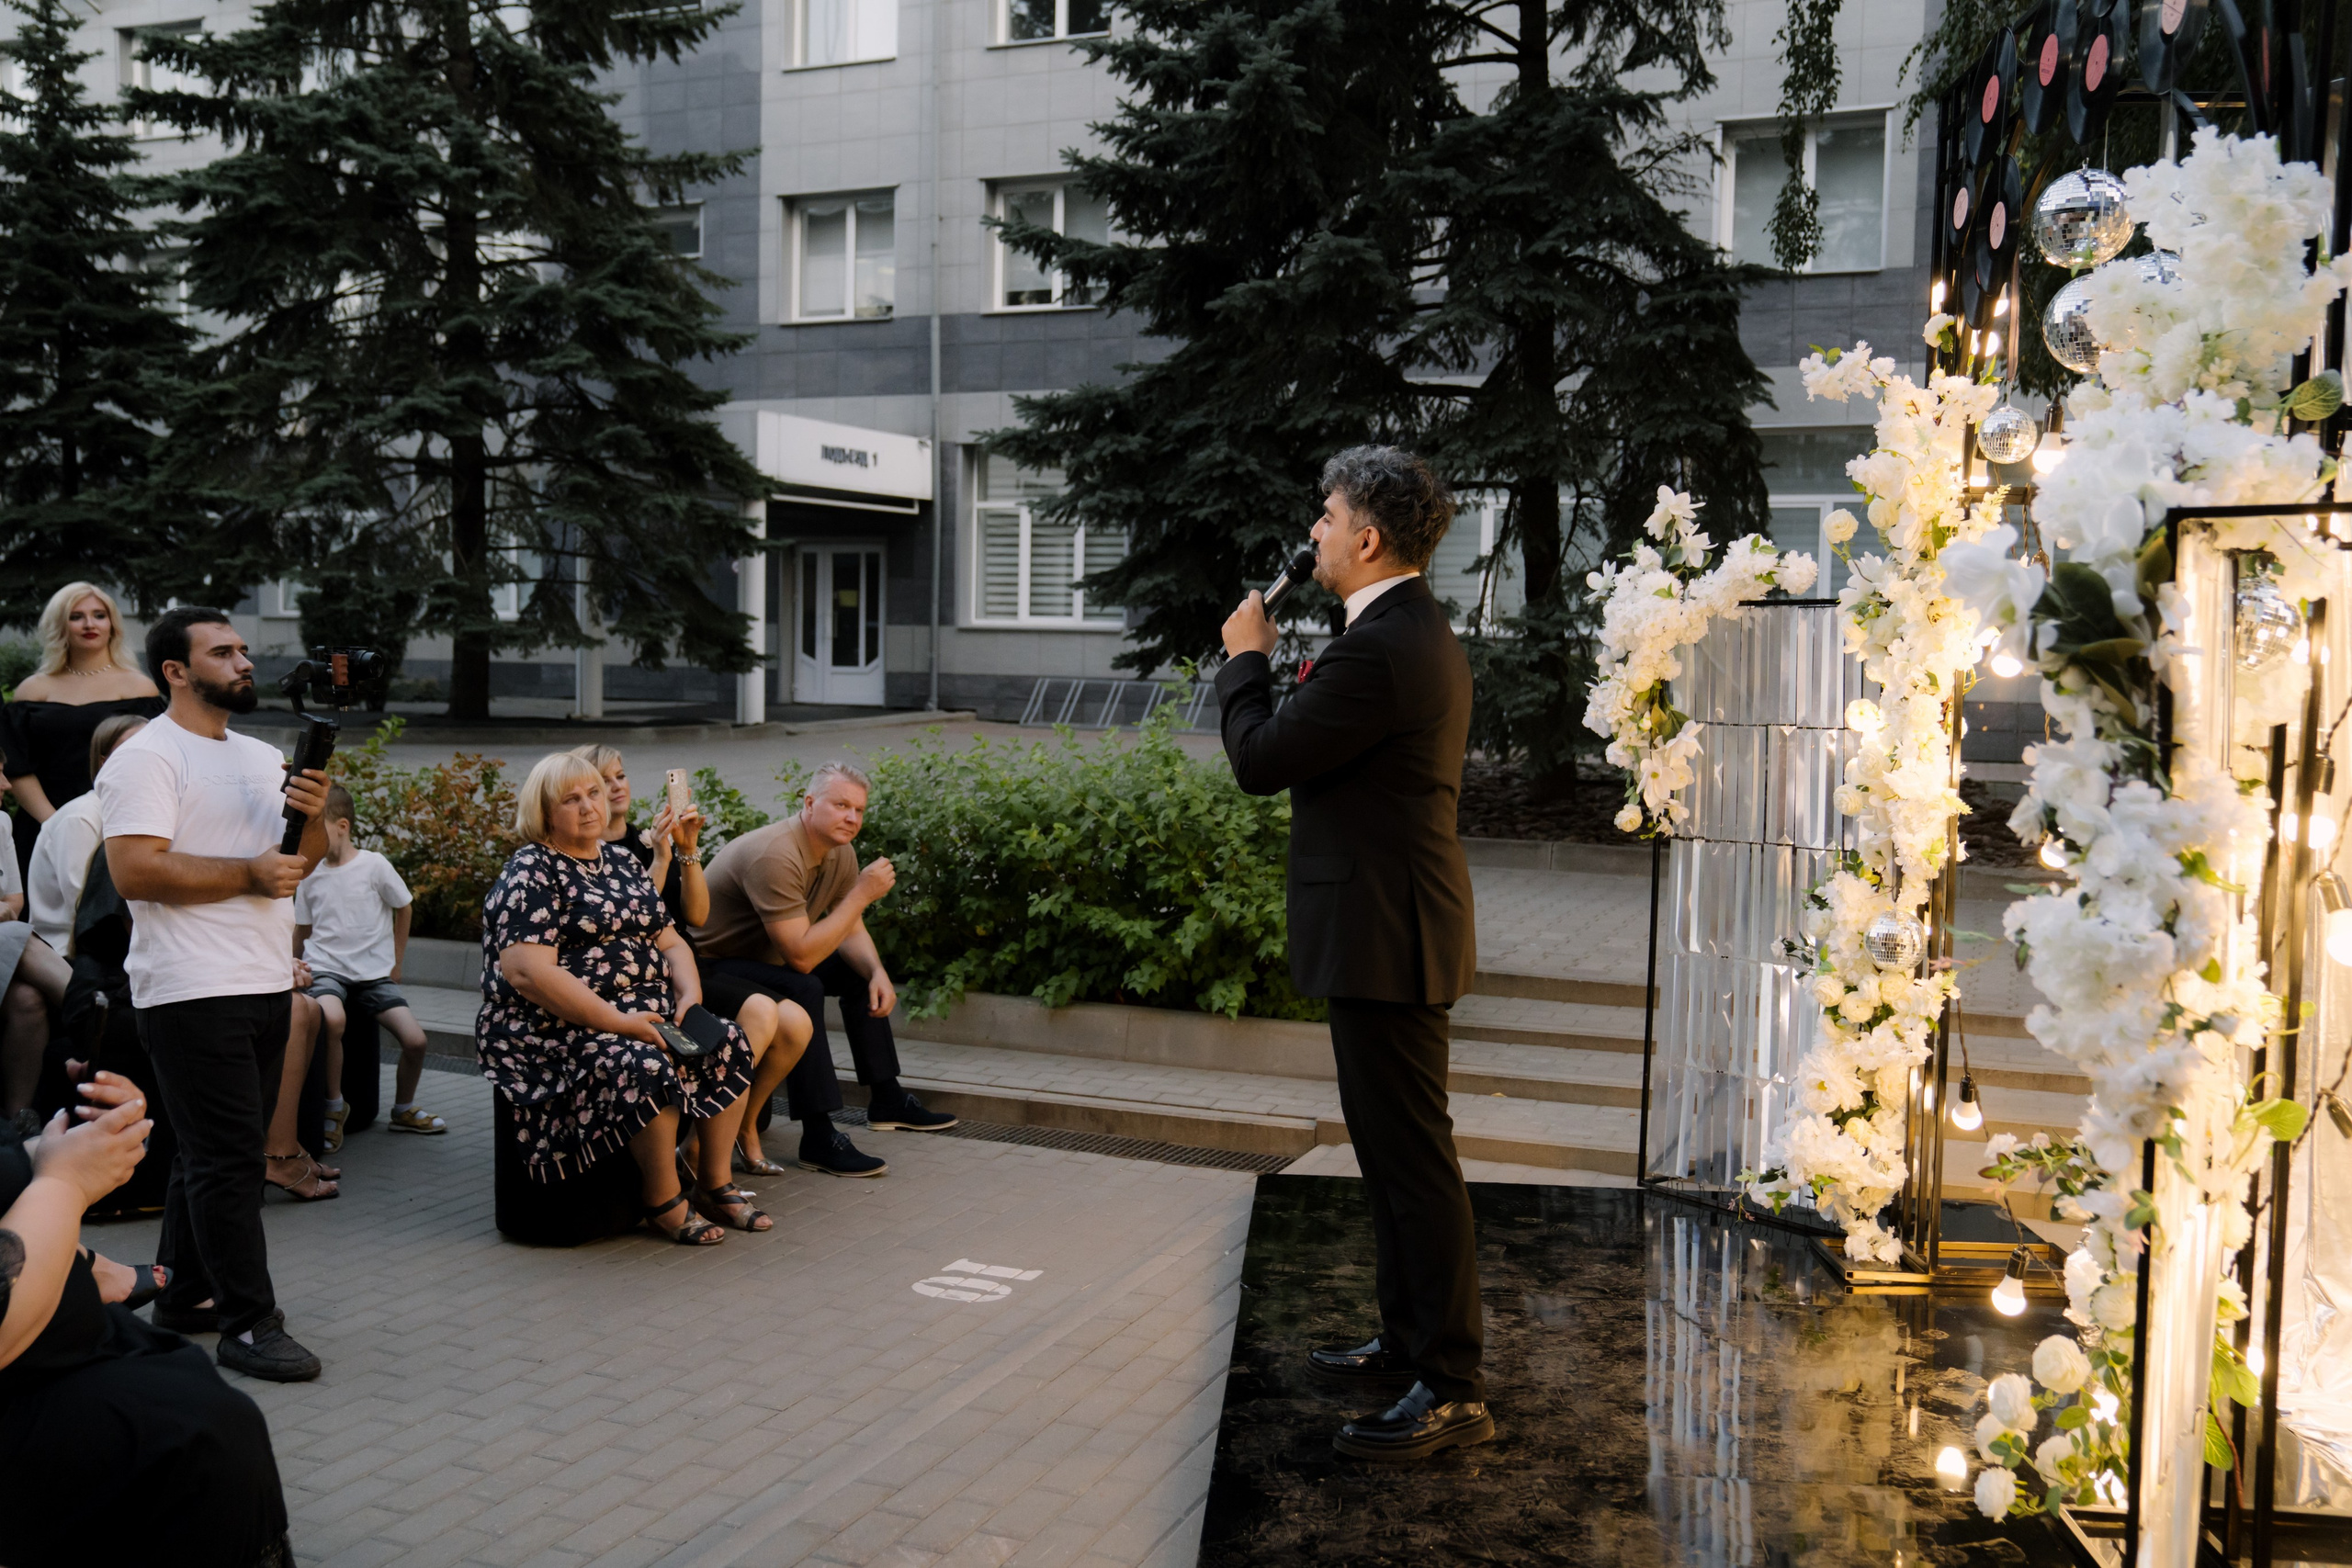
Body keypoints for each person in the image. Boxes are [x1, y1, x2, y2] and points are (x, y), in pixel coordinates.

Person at [1216, 445, 1489, 1462]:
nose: (1315, 534)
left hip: (1390, 936)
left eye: (1326, 519)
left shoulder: (1382, 647)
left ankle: (1451, 1384)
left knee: (1414, 1165)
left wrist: (1246, 654)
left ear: (1366, 538)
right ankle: (1409, 1346)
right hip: (1385, 928)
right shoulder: (1394, 633)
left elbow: (1260, 759)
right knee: (1389, 1158)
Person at [97, 606, 333, 1382]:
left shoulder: (262, 754)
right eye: (223, 651)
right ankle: (248, 1323)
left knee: (204, 1153)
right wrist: (246, 874)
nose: (244, 662)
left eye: (242, 649)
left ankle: (185, 1292)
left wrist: (314, 813)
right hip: (190, 988)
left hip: (264, 979)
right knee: (232, 1159)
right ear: (175, 669)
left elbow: (303, 858)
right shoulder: (146, 757)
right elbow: (136, 869)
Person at [476, 752, 794, 1244]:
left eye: (595, 794)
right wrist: (619, 1022)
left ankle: (714, 1182)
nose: (589, 807)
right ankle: (663, 1200)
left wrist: (689, 997)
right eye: (572, 799)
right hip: (558, 1026)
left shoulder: (621, 860)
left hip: (646, 1011)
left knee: (728, 1041)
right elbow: (528, 973)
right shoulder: (532, 870)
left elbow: (669, 940)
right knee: (646, 1063)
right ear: (544, 812)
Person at [0, 1071, 295, 1568]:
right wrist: (64, 1184)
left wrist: (82, 1144)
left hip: (72, 1346)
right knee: (193, 1437)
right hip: (32, 1391)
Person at [695, 762, 955, 1180]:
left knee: (856, 976)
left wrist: (876, 972)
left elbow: (846, 926)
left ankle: (886, 1098)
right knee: (805, 985)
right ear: (810, 803)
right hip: (713, 965)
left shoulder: (839, 850)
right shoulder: (776, 854)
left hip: (767, 958)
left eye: (859, 810)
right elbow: (800, 956)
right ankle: (817, 1135)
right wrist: (861, 895)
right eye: (841, 805)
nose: (852, 818)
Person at [294, 784, 442, 1140]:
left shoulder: (374, 866)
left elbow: (404, 907)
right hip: (326, 970)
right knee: (332, 1019)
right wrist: (291, 965)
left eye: (317, 829)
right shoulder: (309, 874)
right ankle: (333, 1107)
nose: (308, 839)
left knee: (416, 1041)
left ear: (342, 827)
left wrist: (396, 962)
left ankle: (403, 1110)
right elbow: (301, 928)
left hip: (374, 977)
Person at [1, 582, 164, 883]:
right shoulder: (33, 690)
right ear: (59, 626)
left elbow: (152, 764)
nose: (89, 624)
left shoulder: (140, 688)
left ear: (112, 624)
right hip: (42, 823)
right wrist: (56, 824)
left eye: (99, 615)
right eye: (76, 616)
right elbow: (17, 766)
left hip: (116, 823)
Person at [26, 713, 147, 953]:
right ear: (105, 762)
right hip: (69, 951)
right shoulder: (80, 817)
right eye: (133, 749)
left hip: (126, 944)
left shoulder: (147, 815)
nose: (147, 757)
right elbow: (87, 907)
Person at [572, 744, 708, 930]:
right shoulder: (584, 856)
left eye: (620, 776)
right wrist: (660, 861)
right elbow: (631, 920)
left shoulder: (652, 841)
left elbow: (697, 917)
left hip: (683, 953)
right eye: (604, 781)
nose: (618, 786)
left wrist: (688, 848)